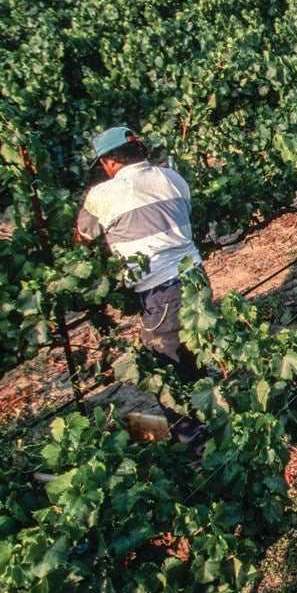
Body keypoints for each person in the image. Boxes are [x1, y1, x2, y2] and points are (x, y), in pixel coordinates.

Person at [75, 126, 206, 444]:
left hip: (161, 290)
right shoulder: (173, 178)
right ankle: (204, 415)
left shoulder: (102, 195)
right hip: (196, 277)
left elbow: (83, 240)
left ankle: (192, 439)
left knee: (166, 365)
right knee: (194, 349)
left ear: (108, 162)